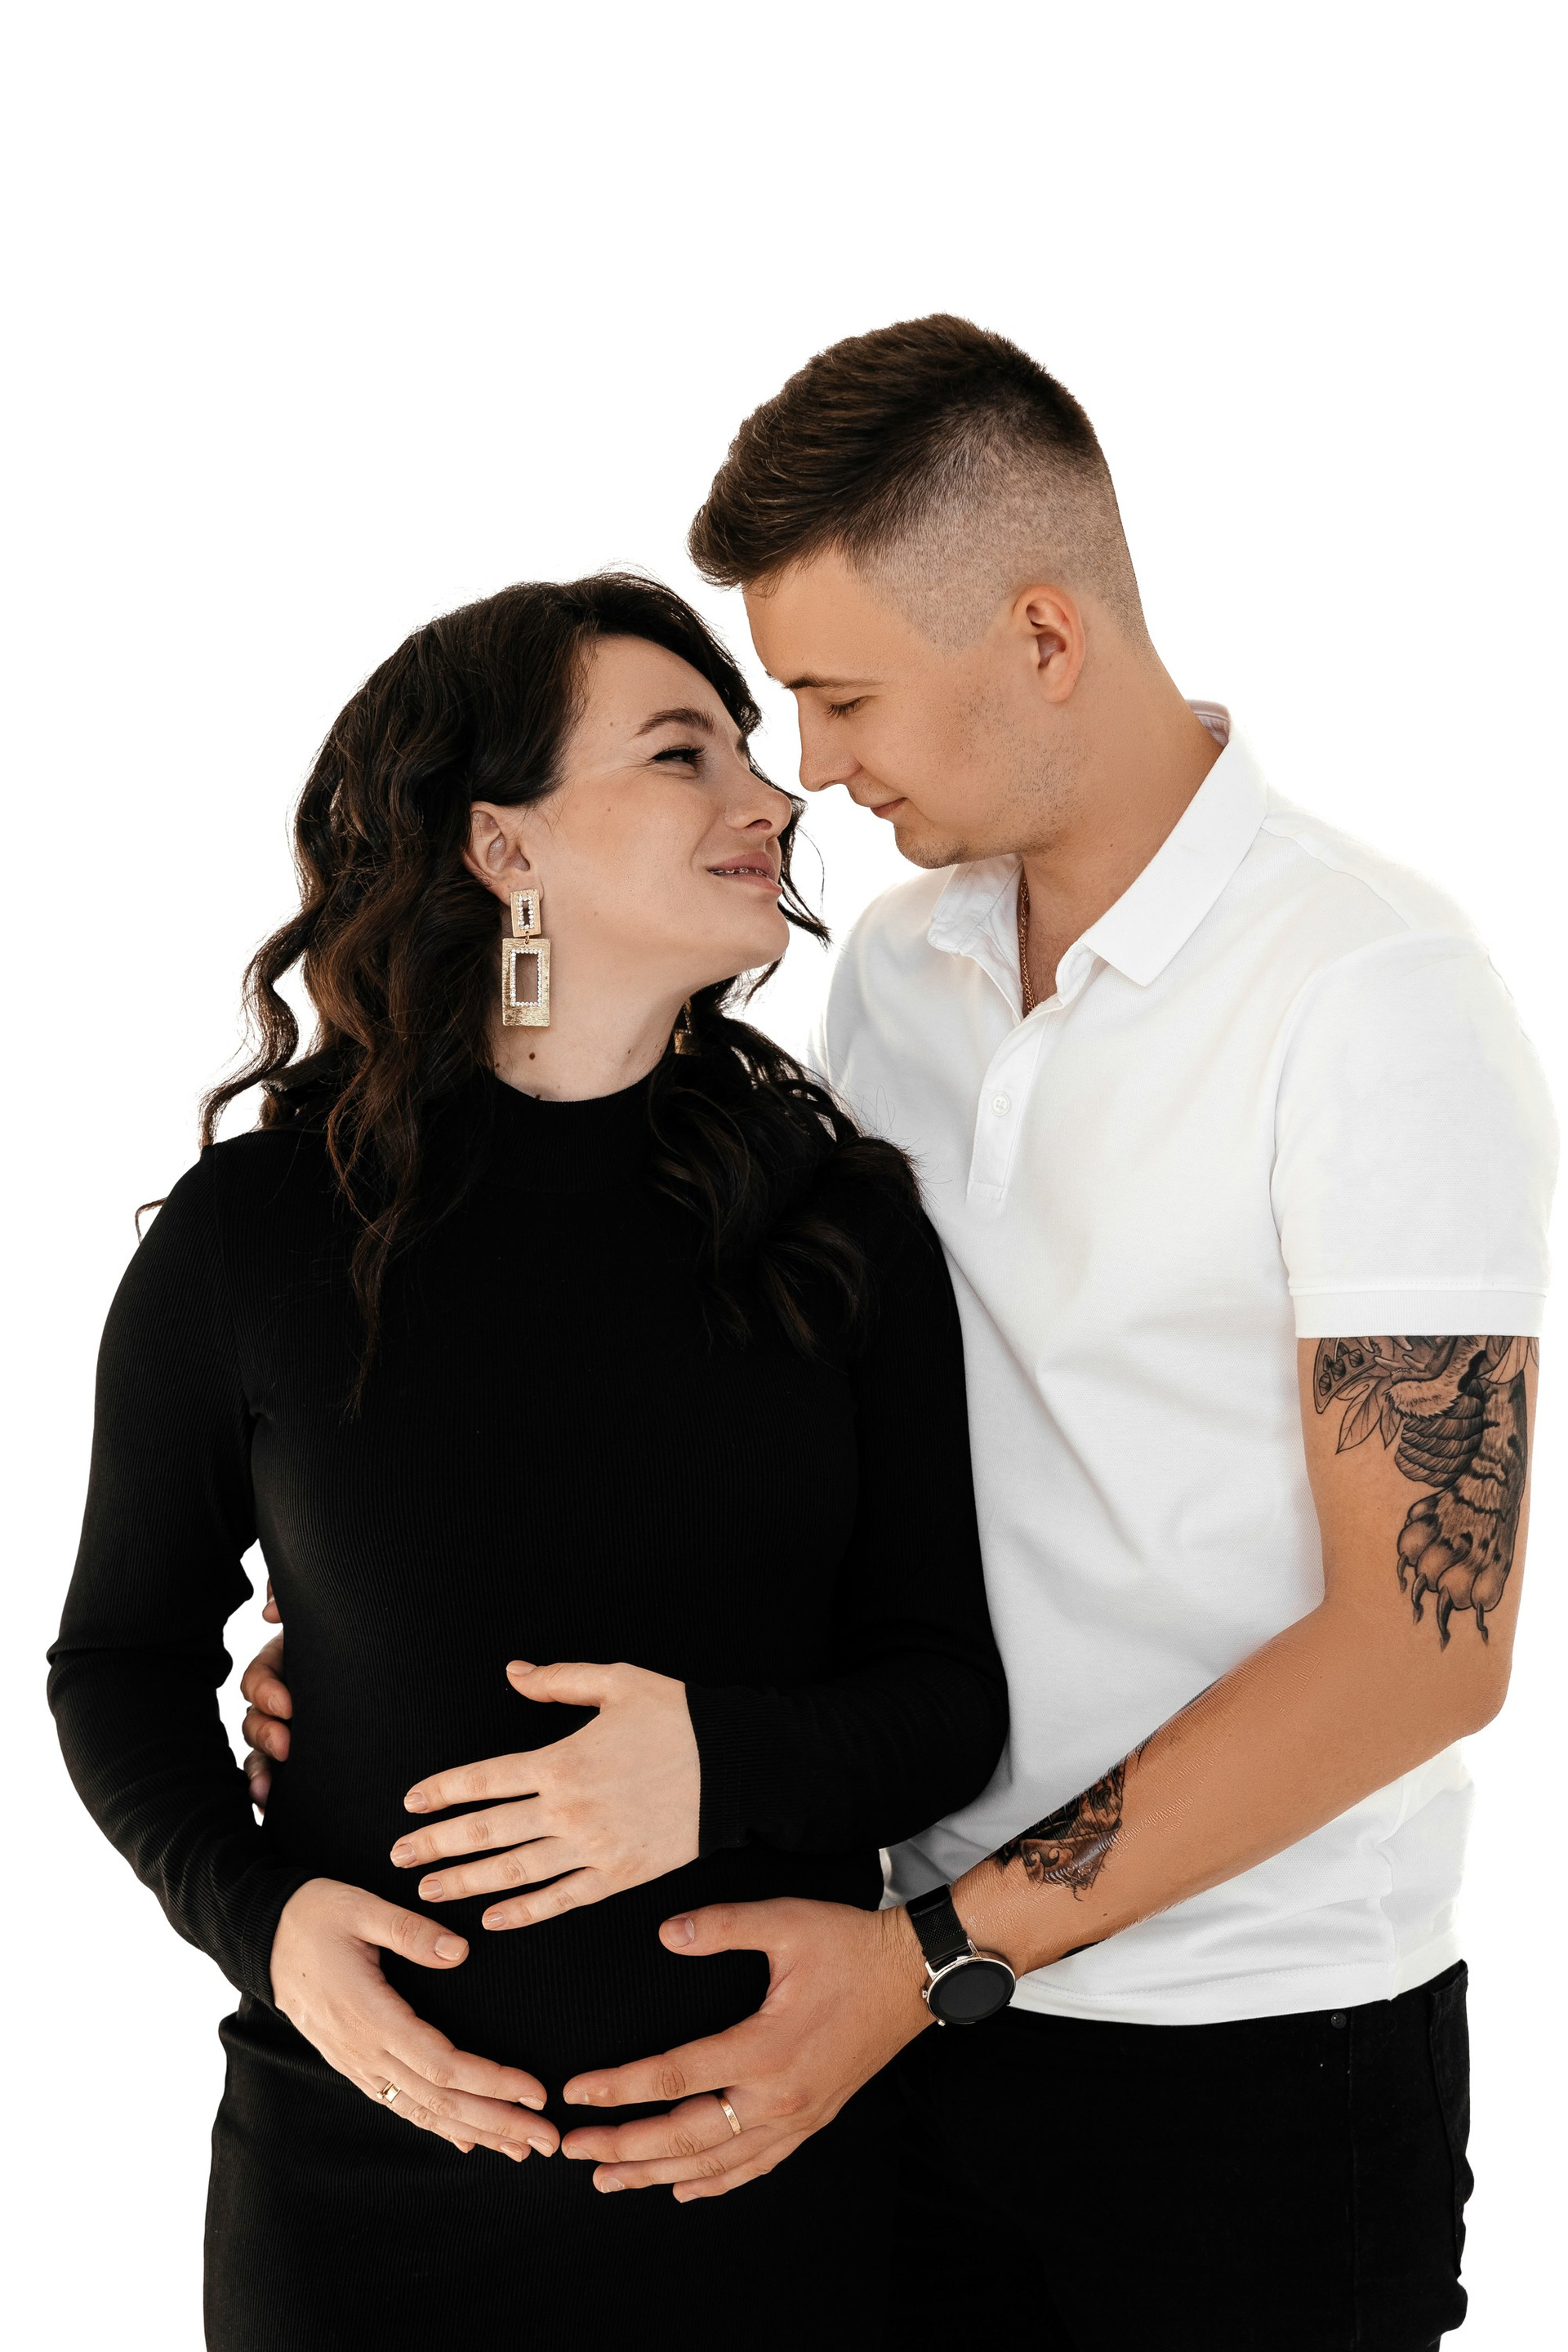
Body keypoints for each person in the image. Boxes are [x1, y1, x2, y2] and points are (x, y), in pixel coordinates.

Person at [492, 320, 1554, 2349]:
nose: (812, 768)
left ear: (1045, 636)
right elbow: (784, 1426)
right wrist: (399, 1619)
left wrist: (938, 1957)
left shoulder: (1370, 992)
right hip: (897, 2012)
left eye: (843, 697)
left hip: (1252, 2065)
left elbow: (1427, 1642)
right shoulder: (898, 970)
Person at [47, 572, 1008, 2349]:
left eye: (746, 750)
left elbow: (949, 1699)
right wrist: (265, 1930)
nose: (773, 796)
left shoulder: (840, 1229)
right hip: (356, 2206)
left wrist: (714, 1765)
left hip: (757, 2189)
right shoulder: (257, 1236)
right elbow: (117, 1662)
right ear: (503, 846)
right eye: (682, 752)